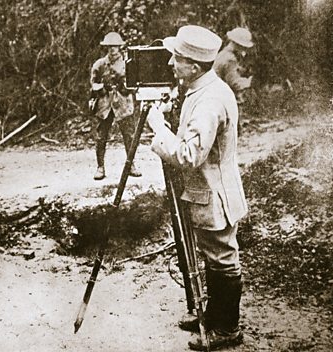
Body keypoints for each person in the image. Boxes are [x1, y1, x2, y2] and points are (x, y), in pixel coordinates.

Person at [147, 25, 248, 351]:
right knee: (212, 255)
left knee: (222, 258)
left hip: (213, 195)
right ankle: (213, 314)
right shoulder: (204, 89)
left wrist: (159, 131)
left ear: (194, 65)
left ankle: (227, 328)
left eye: (176, 58)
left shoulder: (209, 101)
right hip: (211, 190)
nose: (169, 64)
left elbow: (189, 154)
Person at [90, 31, 141, 180]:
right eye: (109, 46)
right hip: (105, 104)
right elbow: (93, 84)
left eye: (115, 46)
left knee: (129, 136)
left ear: (120, 47)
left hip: (123, 102)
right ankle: (100, 167)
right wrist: (102, 87)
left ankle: (131, 165)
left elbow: (135, 83)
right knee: (101, 136)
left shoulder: (128, 63)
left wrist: (125, 86)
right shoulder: (99, 64)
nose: (112, 49)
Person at [213, 27, 254, 102]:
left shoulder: (223, 53)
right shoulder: (230, 59)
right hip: (219, 96)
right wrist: (249, 81)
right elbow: (234, 83)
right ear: (238, 44)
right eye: (243, 47)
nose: (244, 49)